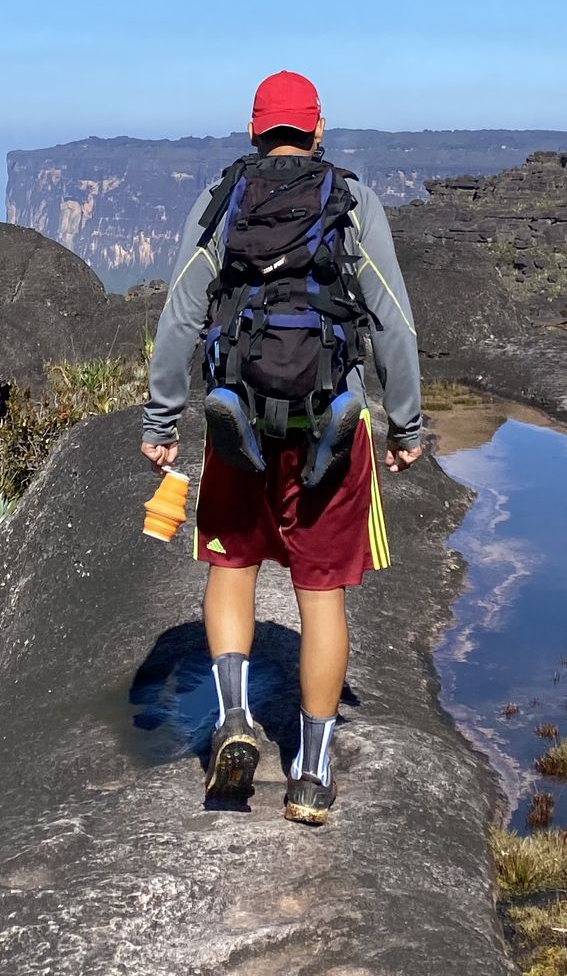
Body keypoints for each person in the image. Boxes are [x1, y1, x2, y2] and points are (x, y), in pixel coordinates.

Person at [140, 70, 427, 825]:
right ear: (318, 127)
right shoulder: (352, 201)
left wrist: (162, 421)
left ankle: (234, 720)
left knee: (231, 567)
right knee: (319, 593)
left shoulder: (224, 199)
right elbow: (394, 322)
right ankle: (311, 772)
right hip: (329, 426)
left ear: (254, 128)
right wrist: (407, 424)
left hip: (241, 425)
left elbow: (179, 317)